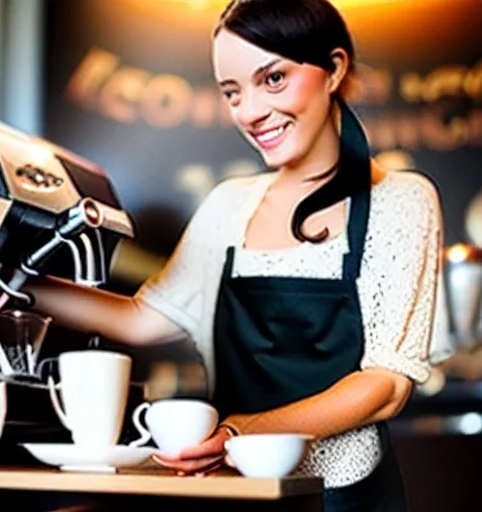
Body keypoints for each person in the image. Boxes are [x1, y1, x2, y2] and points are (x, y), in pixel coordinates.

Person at [25, 0, 443, 509]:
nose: (249, 111)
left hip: (346, 496)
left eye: (273, 79)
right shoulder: (229, 204)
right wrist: (11, 284)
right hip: (235, 491)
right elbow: (140, 319)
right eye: (232, 91)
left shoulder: (401, 199)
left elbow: (385, 386)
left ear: (333, 69)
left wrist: (240, 431)